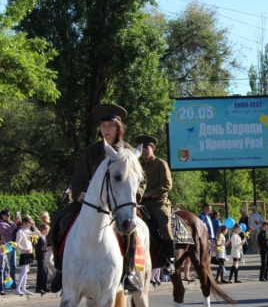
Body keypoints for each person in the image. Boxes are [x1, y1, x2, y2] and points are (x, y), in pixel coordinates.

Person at [49, 103, 145, 294]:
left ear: (118, 128)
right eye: (103, 126)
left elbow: (141, 181)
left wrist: (132, 195)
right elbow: (78, 178)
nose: (106, 130)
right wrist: (81, 193)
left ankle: (128, 273)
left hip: (116, 206)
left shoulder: (127, 151)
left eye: (110, 126)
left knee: (130, 231)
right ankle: (60, 269)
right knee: (59, 221)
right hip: (89, 203)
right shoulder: (91, 151)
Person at [134, 135, 176, 275]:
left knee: (164, 225)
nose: (144, 151)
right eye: (141, 148)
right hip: (140, 203)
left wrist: (149, 193)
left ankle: (170, 260)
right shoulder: (137, 166)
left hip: (158, 203)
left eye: (146, 147)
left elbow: (167, 185)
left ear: (153, 148)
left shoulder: (160, 164)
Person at [14, 216, 38, 296]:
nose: (30, 225)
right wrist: (23, 249)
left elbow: (37, 233)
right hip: (24, 253)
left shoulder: (28, 230)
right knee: (23, 271)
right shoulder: (20, 231)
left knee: (26, 271)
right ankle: (18, 288)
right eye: (29, 223)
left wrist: (34, 226)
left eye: (30, 223)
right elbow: (17, 244)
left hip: (29, 253)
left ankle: (23, 288)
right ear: (24, 223)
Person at [0, 210, 18, 288]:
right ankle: (4, 283)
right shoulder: (1, 224)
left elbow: (16, 229)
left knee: (13, 265)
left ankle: (12, 282)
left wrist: (18, 222)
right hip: (6, 245)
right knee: (5, 266)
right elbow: (7, 231)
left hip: (12, 245)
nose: (9, 216)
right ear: (2, 215)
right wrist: (15, 223)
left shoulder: (10, 223)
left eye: (9, 215)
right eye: (7, 215)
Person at [35, 223, 50, 294]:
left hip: (44, 256)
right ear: (42, 230)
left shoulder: (43, 237)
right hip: (41, 257)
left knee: (45, 271)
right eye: (46, 229)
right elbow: (39, 249)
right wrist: (47, 249)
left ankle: (45, 286)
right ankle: (39, 288)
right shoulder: (40, 238)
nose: (47, 231)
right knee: (41, 272)